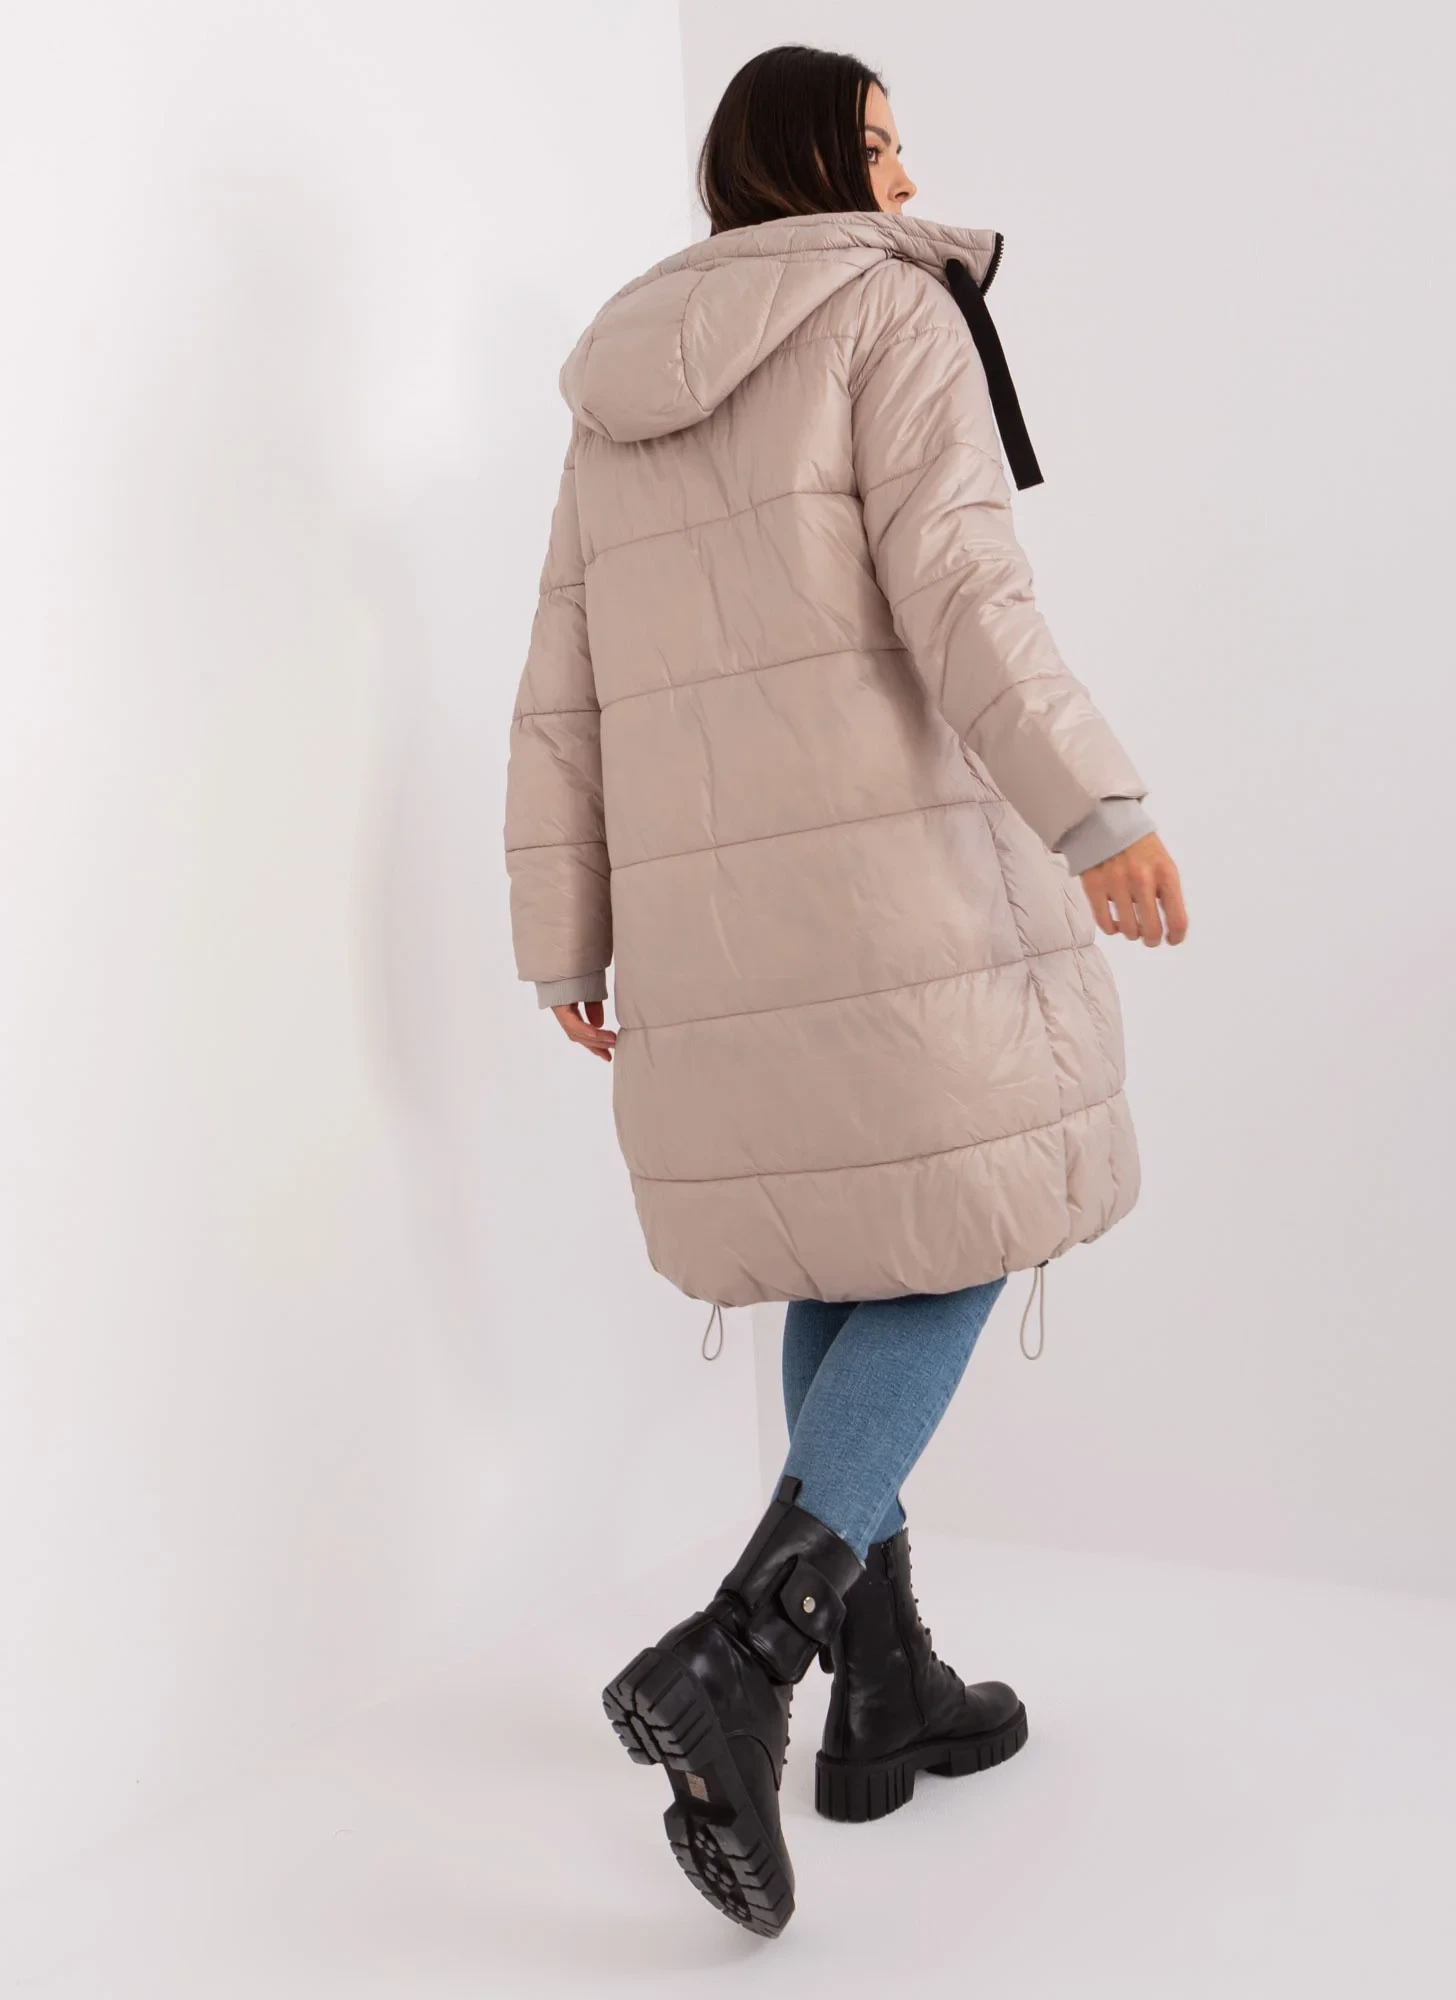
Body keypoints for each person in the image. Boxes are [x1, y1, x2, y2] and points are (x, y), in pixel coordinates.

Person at [504, 43, 1189, 1938]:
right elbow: (967, 590)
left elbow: (559, 683)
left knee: (853, 1242)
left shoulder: (619, 388)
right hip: (896, 884)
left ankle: (884, 1694)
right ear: (806, 160)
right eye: (874, 143)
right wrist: (1098, 811)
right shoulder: (894, 313)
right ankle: (747, 1649)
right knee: (969, 1225)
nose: (902, 174)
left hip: (718, 926)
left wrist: (567, 932)